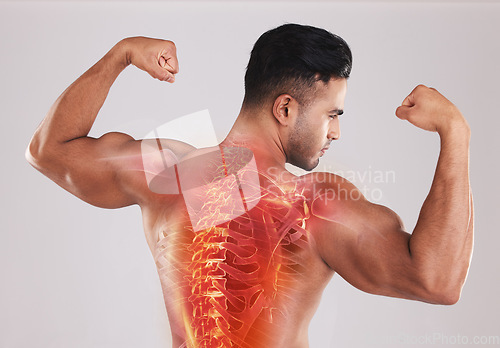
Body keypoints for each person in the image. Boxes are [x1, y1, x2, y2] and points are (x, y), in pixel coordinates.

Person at [26, 24, 473, 348]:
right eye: (332, 115)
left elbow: (50, 150)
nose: (335, 132)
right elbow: (436, 281)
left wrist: (122, 53)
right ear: (285, 107)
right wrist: (455, 132)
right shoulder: (314, 205)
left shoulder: (168, 173)